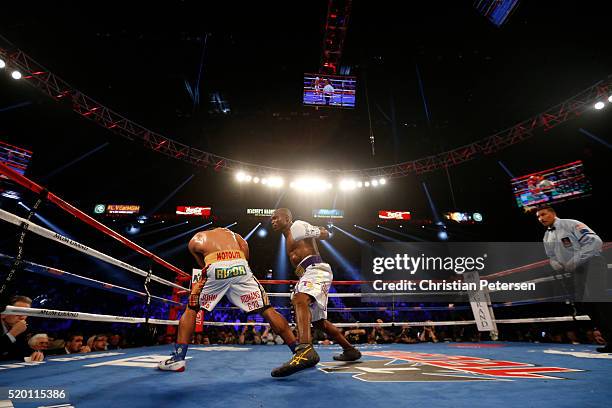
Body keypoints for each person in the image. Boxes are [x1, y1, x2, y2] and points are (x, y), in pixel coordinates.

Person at [158, 227, 298, 372]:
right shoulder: (232, 234)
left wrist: (220, 271)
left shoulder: (197, 237)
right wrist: (237, 268)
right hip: (240, 265)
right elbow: (245, 248)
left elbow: (203, 264)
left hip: (215, 265)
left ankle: (179, 359)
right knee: (266, 309)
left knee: (192, 309)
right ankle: (298, 352)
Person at [270, 208, 361, 377]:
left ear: (287, 218)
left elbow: (325, 233)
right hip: (308, 272)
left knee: (299, 299)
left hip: (316, 269)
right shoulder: (287, 236)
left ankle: (304, 350)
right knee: (319, 322)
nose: (273, 221)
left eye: (276, 218)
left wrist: (317, 230)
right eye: (271, 219)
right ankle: (350, 350)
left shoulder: (297, 226)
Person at [536, 206, 610, 352]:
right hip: (577, 271)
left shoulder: (570, 224)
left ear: (552, 213)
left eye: (543, 214)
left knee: (598, 301)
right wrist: (556, 264)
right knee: (587, 305)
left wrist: (575, 260)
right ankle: (610, 340)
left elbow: (595, 242)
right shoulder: (546, 236)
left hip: (592, 263)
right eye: (538, 217)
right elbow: (551, 256)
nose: (541, 218)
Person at [1, 295, 44, 362]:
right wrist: (12, 334)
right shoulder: (17, 328)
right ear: (4, 313)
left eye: (26, 312)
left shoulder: (23, 328)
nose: (22, 317)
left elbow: (22, 350)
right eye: (17, 312)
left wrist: (35, 353)